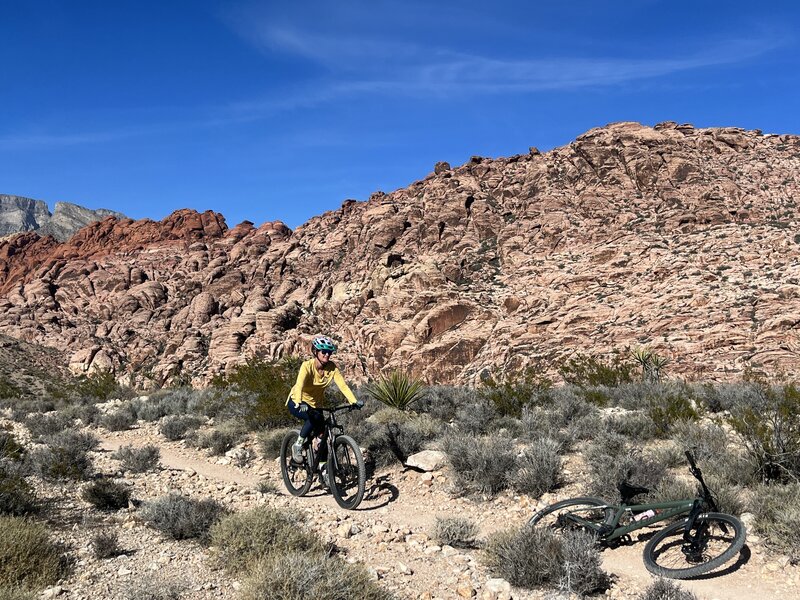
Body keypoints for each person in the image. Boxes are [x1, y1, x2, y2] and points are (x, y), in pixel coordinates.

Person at [286, 334, 363, 483]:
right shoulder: (306, 366)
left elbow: (343, 386)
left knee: (323, 437)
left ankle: (324, 471)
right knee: (313, 418)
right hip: (297, 402)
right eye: (323, 352)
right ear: (315, 352)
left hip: (316, 405)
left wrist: (353, 401)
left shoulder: (332, 368)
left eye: (329, 352)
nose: (327, 355)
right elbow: (299, 385)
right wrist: (300, 401)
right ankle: (298, 445)